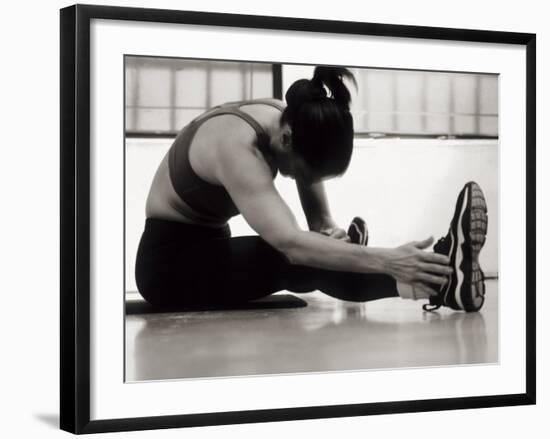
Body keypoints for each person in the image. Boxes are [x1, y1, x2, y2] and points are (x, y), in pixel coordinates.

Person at [135, 66, 488, 313]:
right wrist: (386, 258)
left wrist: (328, 234)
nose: (302, 179)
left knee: (317, 250)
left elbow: (317, 220)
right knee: (292, 258)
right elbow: (290, 244)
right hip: (169, 269)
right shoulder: (235, 145)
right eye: (305, 172)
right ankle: (439, 282)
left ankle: (435, 276)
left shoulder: (292, 121)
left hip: (210, 246)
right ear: (286, 140)